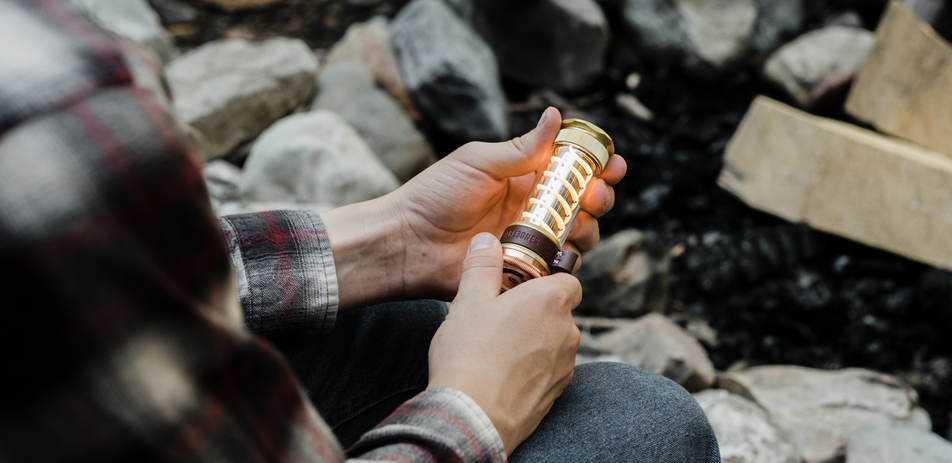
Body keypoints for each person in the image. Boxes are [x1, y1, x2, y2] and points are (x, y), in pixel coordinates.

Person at [0, 0, 720, 461]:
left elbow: (109, 275)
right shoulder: (61, 101)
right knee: (641, 423)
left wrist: (392, 237)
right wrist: (472, 412)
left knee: (396, 320)